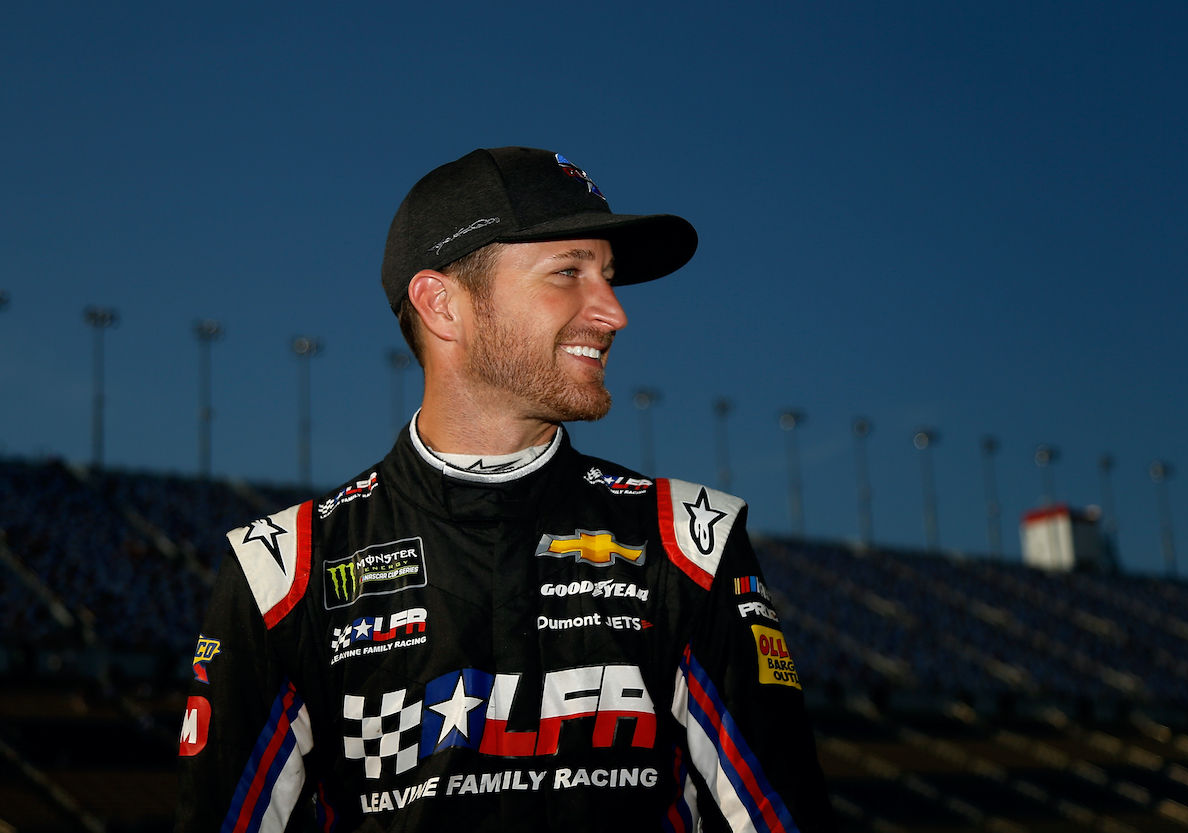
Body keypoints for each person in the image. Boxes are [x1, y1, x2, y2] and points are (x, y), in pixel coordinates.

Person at [176, 147, 834, 832]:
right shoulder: (282, 571)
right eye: (568, 273)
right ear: (443, 305)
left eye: (607, 277)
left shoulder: (689, 542)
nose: (613, 312)